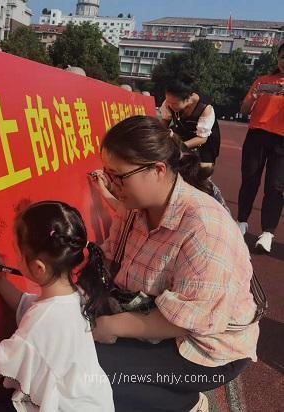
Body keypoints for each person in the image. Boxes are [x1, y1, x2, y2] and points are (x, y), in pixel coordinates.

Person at [90, 116, 258, 412]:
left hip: (205, 349)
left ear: (157, 170)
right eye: (106, 174)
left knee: (95, 376)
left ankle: (183, 403)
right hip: (151, 316)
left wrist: (114, 325)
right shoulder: (134, 208)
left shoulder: (204, 228)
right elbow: (110, 259)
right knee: (82, 355)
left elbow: (185, 322)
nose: (112, 185)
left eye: (118, 176)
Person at [0, 201, 115, 411]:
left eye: (18, 254)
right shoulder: (76, 295)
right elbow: (25, 304)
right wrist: (0, 280)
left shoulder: (40, 323)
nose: (14, 260)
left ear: (39, 268)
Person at [236, 42, 284, 253]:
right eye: (283, 57)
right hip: (257, 135)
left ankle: (267, 233)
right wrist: (255, 96)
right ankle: (242, 221)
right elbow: (245, 109)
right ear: (278, 58)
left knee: (275, 187)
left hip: (282, 141)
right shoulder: (262, 81)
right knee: (250, 179)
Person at [160, 73, 221, 175]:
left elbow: (202, 138)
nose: (169, 105)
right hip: (182, 131)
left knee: (203, 170)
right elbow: (164, 122)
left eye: (174, 104)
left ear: (188, 99)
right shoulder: (169, 102)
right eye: (168, 101)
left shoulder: (205, 108)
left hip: (205, 139)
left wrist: (179, 147)